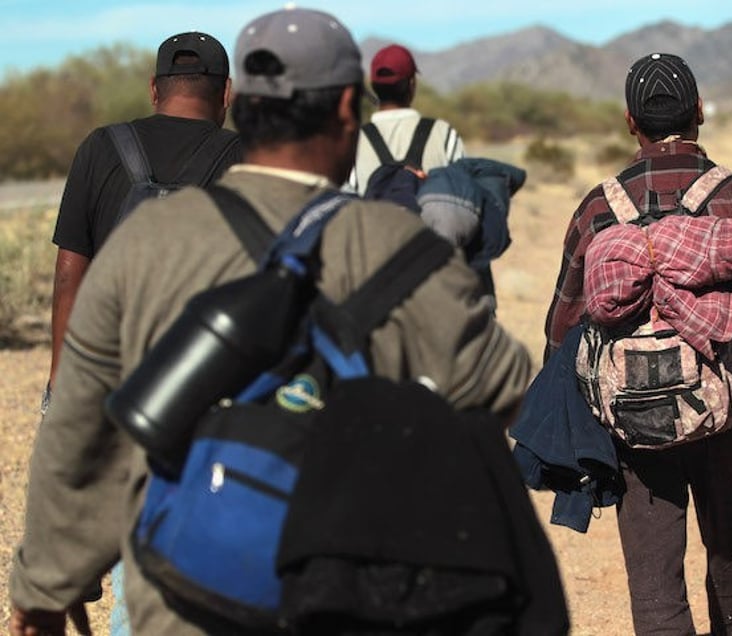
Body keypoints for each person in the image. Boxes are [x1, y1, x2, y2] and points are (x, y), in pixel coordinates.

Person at [9, 7, 537, 635]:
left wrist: (44, 585)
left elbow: (78, 420)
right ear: (348, 108)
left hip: (182, 593)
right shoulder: (394, 244)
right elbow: (505, 390)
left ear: (245, 105)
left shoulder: (145, 238)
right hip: (340, 590)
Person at [543, 52, 732, 635]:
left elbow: (561, 331)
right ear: (699, 113)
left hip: (635, 423)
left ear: (629, 121)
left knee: (653, 578)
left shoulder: (598, 209)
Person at [44, 30, 242, 408]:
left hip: (110, 369)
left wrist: (61, 377)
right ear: (226, 92)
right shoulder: (244, 157)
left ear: (154, 88)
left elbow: (69, 270)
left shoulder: (99, 147)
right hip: (204, 375)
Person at [347, 43, 465, 194]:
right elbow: (464, 193)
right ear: (412, 84)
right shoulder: (444, 134)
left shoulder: (354, 142)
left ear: (373, 86)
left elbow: (346, 199)